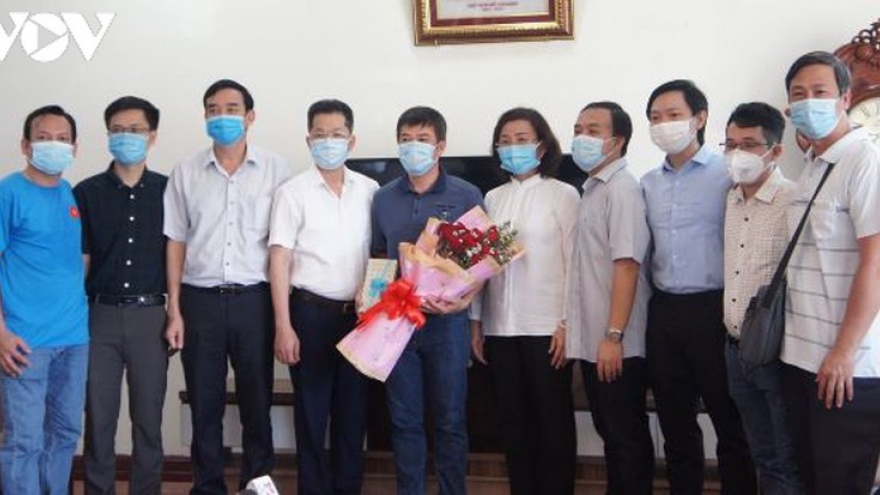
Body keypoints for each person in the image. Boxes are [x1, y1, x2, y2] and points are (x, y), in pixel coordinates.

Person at [164, 79, 293, 494]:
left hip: (254, 301)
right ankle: (208, 485)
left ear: (250, 116)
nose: (222, 117)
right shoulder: (186, 172)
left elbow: (284, 244)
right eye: (213, 109)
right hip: (199, 301)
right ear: (204, 116)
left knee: (257, 401)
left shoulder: (277, 169)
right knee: (205, 403)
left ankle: (257, 482)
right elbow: (175, 241)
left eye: (232, 109)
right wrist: (174, 308)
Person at [640, 79, 756, 494]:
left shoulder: (728, 174)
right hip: (665, 311)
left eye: (673, 115)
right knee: (675, 422)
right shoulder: (648, 183)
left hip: (716, 309)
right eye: (655, 117)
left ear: (700, 118)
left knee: (730, 419)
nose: (664, 124)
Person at [370, 106, 483, 495]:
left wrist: (465, 300)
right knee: (404, 421)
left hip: (447, 324)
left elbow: (483, 261)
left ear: (440, 147)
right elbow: (378, 256)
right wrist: (371, 300)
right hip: (397, 321)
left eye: (422, 139)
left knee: (450, 419)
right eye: (405, 140)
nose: (412, 147)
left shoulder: (466, 194)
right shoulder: (383, 198)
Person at [781, 50, 880, 494]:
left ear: (845, 99)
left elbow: (876, 263)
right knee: (812, 478)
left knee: (841, 483)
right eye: (798, 94)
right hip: (802, 358)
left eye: (819, 92)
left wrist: (843, 351)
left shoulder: (865, 160)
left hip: (847, 367)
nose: (809, 102)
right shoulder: (814, 164)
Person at [268, 99, 379, 495]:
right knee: (312, 415)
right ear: (308, 139)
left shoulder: (370, 190)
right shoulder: (292, 192)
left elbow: (379, 253)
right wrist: (283, 326)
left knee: (354, 414)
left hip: (360, 319)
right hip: (309, 314)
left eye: (336, 134)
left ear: (352, 140)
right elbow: (279, 260)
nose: (328, 141)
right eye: (320, 135)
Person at [468, 107, 579, 495]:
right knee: (512, 425)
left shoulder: (564, 194)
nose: (512, 147)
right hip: (501, 327)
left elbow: (574, 263)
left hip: (547, 328)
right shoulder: (493, 198)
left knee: (553, 424)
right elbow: (481, 266)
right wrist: (477, 322)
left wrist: (567, 323)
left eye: (521, 140)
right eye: (505, 141)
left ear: (542, 146)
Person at [74, 96, 169, 495]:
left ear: (152, 136)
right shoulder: (86, 192)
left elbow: (178, 257)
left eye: (135, 130)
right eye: (117, 130)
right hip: (99, 316)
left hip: (152, 316)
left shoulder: (169, 190)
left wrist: (177, 313)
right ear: (108, 135)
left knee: (148, 418)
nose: (125, 137)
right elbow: (81, 260)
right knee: (99, 418)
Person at [566, 101, 655, 495]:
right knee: (611, 433)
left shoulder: (621, 190)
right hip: (595, 340)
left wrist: (613, 335)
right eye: (578, 129)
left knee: (625, 436)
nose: (581, 137)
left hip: (617, 342)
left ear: (616, 142)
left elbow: (627, 265)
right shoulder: (593, 189)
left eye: (593, 130)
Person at [0, 105, 89, 494]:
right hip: (25, 341)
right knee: (25, 441)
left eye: (62, 139)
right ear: (25, 145)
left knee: (65, 433)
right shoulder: (8, 193)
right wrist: (1, 332)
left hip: (74, 338)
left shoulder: (69, 193)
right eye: (44, 138)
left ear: (74, 148)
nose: (54, 145)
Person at [721, 102, 803, 494]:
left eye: (749, 144)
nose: (737, 153)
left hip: (777, 354)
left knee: (787, 460)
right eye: (730, 144)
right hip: (735, 348)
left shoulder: (794, 200)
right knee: (762, 455)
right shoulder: (731, 199)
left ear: (776, 151)